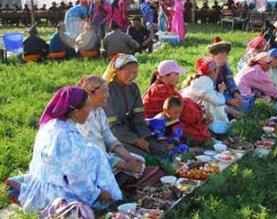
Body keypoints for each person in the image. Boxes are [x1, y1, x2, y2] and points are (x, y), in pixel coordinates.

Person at [19, 86, 122, 214]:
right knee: (96, 156)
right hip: (54, 194)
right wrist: (99, 193)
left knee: (93, 151)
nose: (90, 111)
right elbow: (76, 178)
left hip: (39, 186)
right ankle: (112, 202)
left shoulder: (52, 124)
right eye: (88, 107)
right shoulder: (67, 137)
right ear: (76, 112)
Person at [103, 54, 167, 158]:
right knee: (143, 156)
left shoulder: (133, 88)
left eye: (135, 72)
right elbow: (112, 127)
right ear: (117, 71)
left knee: (159, 149)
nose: (132, 76)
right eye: (128, 72)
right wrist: (135, 140)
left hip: (131, 130)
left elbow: (138, 117)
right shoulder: (107, 91)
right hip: (113, 135)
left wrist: (145, 137)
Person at [76, 75, 144, 174]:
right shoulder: (84, 118)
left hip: (103, 157)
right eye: (104, 92)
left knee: (139, 160)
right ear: (91, 93)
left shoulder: (99, 111)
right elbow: (95, 154)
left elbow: (109, 138)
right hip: (89, 162)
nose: (108, 95)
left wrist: (129, 158)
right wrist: (126, 165)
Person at [143, 60, 212, 144]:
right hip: (156, 125)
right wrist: (202, 117)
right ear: (165, 75)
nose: (178, 77)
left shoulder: (163, 86)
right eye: (176, 74)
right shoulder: (162, 89)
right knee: (193, 129)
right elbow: (183, 108)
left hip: (166, 119)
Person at [181, 57, 231, 134]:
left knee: (210, 100)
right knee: (212, 104)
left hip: (187, 110)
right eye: (217, 69)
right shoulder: (205, 81)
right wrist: (221, 91)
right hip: (189, 113)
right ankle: (220, 126)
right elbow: (217, 101)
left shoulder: (200, 80)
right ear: (212, 71)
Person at [209, 37, 250, 113]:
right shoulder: (208, 69)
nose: (224, 59)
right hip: (211, 97)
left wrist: (236, 94)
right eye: (220, 57)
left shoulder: (225, 68)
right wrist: (227, 100)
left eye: (225, 56)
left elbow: (230, 82)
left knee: (244, 101)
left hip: (222, 94)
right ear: (213, 56)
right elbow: (209, 92)